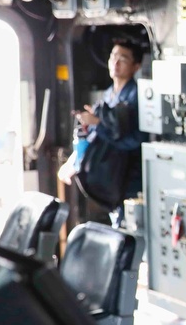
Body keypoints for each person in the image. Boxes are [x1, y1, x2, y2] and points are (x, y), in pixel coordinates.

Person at [58, 38, 144, 226]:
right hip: (110, 173)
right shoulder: (108, 95)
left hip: (128, 175)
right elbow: (93, 136)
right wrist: (74, 161)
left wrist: (98, 123)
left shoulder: (136, 96)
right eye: (113, 56)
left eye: (123, 58)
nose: (116, 62)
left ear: (136, 66)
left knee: (130, 227)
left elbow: (134, 139)